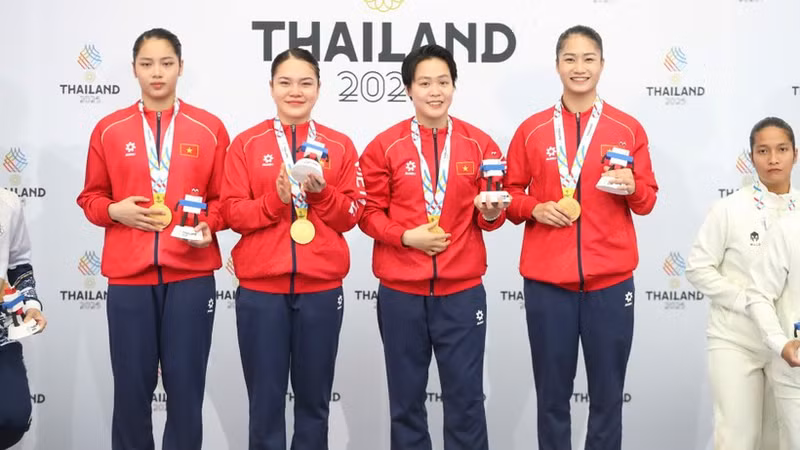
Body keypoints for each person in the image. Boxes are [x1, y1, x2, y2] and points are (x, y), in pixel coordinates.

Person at [504, 25, 658, 450]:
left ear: (602, 65)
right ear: (557, 66)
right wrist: (533, 207)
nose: (579, 67)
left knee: (607, 398)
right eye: (570, 59)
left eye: (588, 58)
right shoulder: (532, 130)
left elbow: (647, 201)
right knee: (552, 399)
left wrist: (633, 186)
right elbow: (509, 197)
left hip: (609, 284)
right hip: (547, 286)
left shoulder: (627, 128)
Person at [76, 28, 229, 450]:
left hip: (191, 275)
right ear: (133, 70)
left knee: (186, 395)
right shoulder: (109, 128)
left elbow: (224, 200)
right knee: (130, 394)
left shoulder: (210, 128)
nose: (156, 73)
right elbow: (90, 198)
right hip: (128, 278)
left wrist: (209, 225)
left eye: (165, 63)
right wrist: (115, 211)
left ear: (180, 67)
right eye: (147, 64)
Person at [358, 44, 507, 450]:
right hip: (401, 294)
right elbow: (366, 213)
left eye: (443, 81)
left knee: (467, 402)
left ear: (455, 86)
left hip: (461, 294)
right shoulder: (384, 146)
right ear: (409, 89)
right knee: (405, 404)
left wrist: (492, 214)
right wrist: (405, 237)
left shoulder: (480, 145)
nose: (435, 91)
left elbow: (489, 217)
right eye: (424, 83)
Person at [220, 47, 365, 450]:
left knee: (314, 404)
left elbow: (351, 214)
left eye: (305, 83)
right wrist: (274, 200)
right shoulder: (246, 144)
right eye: (285, 82)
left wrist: (320, 196)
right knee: (264, 404)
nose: (295, 91)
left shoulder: (339, 144)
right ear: (271, 87)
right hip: (261, 292)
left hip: (320, 289)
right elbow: (232, 213)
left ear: (318, 88)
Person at [687, 117, 798, 450]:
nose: (773, 159)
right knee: (738, 437)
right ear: (751, 157)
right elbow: (697, 267)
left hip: (786, 347)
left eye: (782, 150)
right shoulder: (729, 208)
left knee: (778, 440)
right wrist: (744, 301)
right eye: (763, 151)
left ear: (796, 154)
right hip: (735, 339)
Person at [0, 189, 47, 449]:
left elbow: (18, 263)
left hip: (0, 328)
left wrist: (30, 304)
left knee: (13, 417)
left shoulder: (7, 201)